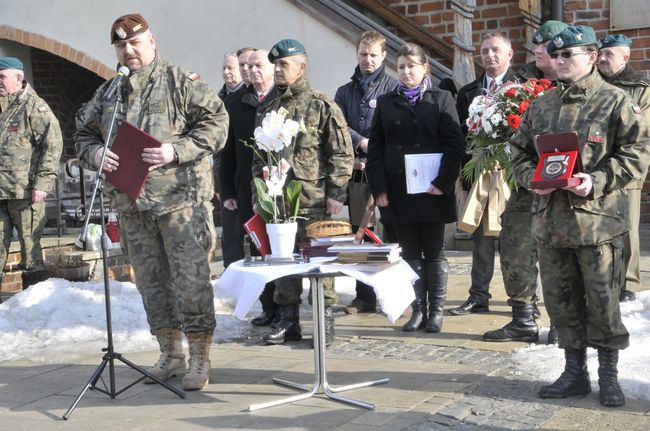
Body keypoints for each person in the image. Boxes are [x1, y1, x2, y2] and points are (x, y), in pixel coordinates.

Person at [75, 13, 228, 391]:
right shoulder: (109, 92)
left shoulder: (180, 81)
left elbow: (217, 123)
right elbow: (82, 132)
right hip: (132, 206)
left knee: (191, 281)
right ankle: (170, 353)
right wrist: (95, 154)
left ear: (152, 41)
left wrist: (176, 151)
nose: (129, 50)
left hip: (180, 204)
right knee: (151, 283)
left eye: (135, 43)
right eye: (121, 45)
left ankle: (199, 356)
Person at [509, 25, 650, 408]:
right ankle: (574, 373)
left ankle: (609, 376)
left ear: (591, 56)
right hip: (551, 225)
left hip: (598, 225)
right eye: (555, 56)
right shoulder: (541, 105)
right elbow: (518, 151)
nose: (559, 61)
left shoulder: (615, 102)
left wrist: (597, 180)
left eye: (568, 55)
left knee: (602, 304)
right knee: (561, 302)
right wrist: (531, 179)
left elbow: (638, 154)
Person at [253, 39, 354, 346]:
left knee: (320, 261)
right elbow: (259, 157)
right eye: (276, 65)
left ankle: (324, 321)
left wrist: (337, 192)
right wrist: (259, 197)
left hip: (314, 199)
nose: (278, 70)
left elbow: (340, 152)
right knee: (284, 261)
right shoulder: (268, 107)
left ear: (302, 67)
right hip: (278, 201)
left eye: (284, 64)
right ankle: (287, 321)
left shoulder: (321, 105)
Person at [366, 43, 465, 333]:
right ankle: (417, 311)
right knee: (409, 252)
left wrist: (442, 182)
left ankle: (436, 312)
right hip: (398, 190)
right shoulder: (386, 102)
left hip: (432, 189)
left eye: (412, 66)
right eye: (402, 67)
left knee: (434, 252)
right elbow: (376, 149)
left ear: (425, 69)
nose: (407, 72)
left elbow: (454, 143)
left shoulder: (441, 98)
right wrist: (379, 187)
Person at [483, 20, 568, 343]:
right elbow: (508, 131)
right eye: (538, 47)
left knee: (561, 254)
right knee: (515, 246)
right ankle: (522, 317)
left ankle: (563, 323)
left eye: (548, 47)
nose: (541, 51)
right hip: (525, 182)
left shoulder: (580, 84)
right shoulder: (520, 82)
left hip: (568, 188)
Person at [450, 32, 521, 316]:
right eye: (484, 51)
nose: (489, 55)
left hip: (513, 179)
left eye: (495, 50)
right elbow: (458, 136)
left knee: (515, 244)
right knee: (481, 241)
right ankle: (478, 297)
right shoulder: (468, 92)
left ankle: (521, 302)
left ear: (509, 54)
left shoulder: (524, 88)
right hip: (479, 176)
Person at [334, 30, 399, 314]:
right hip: (359, 172)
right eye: (363, 54)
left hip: (388, 172)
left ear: (384, 55)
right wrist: (359, 141)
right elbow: (337, 125)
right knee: (360, 234)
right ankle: (364, 296)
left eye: (373, 54)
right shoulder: (344, 91)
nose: (368, 59)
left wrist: (379, 146)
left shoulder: (393, 87)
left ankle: (396, 294)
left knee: (394, 233)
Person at [219, 49, 278, 326]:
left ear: (272, 68)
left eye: (258, 65)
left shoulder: (283, 99)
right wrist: (227, 192)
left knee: (279, 249)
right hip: (246, 187)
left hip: (279, 187)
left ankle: (285, 308)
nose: (252, 70)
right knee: (257, 247)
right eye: (248, 66)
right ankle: (267, 306)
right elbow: (228, 151)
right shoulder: (235, 103)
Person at [0, 57, 62, 289]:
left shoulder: (34, 107)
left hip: (25, 192)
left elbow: (52, 144)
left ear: (18, 78)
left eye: (1, 77)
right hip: (0, 193)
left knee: (30, 250)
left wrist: (42, 184)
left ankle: (34, 303)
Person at [597, 34, 650, 303]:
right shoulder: (593, 84)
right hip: (595, 166)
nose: (602, 58)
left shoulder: (639, 88)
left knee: (627, 226)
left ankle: (628, 281)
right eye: (600, 53)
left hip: (626, 165)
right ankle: (602, 278)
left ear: (625, 58)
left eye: (609, 54)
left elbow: (641, 130)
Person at [217, 47, 256, 268]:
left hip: (256, 178)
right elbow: (226, 150)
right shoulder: (224, 99)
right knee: (232, 230)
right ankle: (232, 271)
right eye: (227, 68)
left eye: (235, 67)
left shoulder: (265, 99)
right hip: (232, 175)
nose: (230, 72)